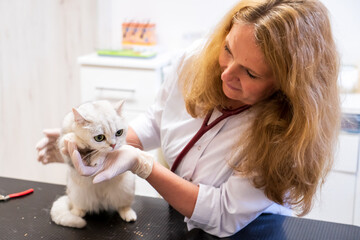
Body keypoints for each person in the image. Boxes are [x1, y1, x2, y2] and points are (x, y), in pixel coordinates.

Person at [36, 0, 340, 237]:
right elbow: (157, 122)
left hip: (250, 230)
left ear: (287, 86)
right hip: (180, 216)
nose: (226, 73)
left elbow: (222, 214)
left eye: (250, 72)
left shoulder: (287, 133)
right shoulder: (194, 61)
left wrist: (143, 165)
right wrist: (91, 146)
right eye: (228, 50)